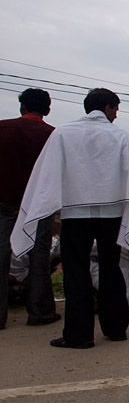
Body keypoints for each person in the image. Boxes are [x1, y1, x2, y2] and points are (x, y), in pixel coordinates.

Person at [14, 88, 129, 348]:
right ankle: (116, 328)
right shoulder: (121, 136)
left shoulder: (63, 133)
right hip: (111, 213)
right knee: (111, 268)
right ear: (107, 107)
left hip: (75, 214)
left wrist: (47, 204)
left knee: (76, 272)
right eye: (116, 110)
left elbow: (47, 172)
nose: (116, 116)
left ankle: (79, 334)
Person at [0, 88, 60, 329]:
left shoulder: (3, 129)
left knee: (1, 254)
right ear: (47, 110)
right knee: (39, 255)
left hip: (4, 201)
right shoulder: (52, 135)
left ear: (22, 106)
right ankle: (40, 311)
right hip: (38, 205)